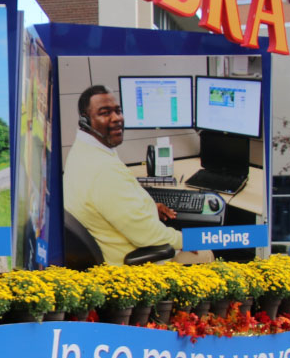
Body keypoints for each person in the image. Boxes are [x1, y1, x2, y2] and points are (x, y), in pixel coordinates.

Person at [62, 86, 210, 265]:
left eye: (118, 111)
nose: (117, 118)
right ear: (85, 121)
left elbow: (112, 203)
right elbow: (149, 236)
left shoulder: (83, 151)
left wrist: (149, 206)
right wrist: (187, 240)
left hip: (114, 242)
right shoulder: (104, 171)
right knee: (205, 250)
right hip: (130, 263)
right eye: (105, 113)